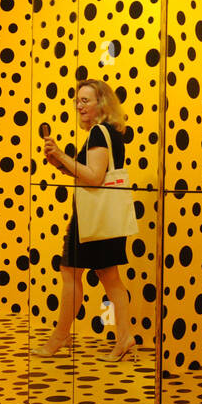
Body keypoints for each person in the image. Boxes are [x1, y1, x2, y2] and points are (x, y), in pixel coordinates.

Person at [37, 78, 137, 362]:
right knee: (110, 277)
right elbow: (89, 172)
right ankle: (124, 337)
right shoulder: (111, 133)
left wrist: (60, 155)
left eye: (86, 100)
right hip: (104, 218)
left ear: (101, 103)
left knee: (70, 273)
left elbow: (93, 178)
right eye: (78, 100)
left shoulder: (99, 133)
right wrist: (60, 162)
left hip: (93, 218)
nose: (79, 105)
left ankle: (59, 337)